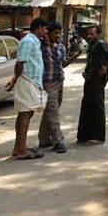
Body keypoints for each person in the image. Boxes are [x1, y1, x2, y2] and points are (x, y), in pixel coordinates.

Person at [5, 18, 48, 160]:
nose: (46, 32)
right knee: (25, 114)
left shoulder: (35, 41)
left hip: (32, 81)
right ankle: (21, 149)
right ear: (39, 28)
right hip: (26, 80)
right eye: (45, 29)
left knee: (26, 114)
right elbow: (20, 62)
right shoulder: (28, 41)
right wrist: (14, 79)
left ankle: (19, 147)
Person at [77, 25, 108, 144]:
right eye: (88, 34)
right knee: (87, 106)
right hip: (89, 79)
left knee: (97, 107)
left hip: (97, 80)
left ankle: (98, 136)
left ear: (97, 34)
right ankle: (85, 135)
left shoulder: (100, 43)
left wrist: (104, 67)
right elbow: (91, 61)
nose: (89, 36)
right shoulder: (91, 45)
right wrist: (85, 71)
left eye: (92, 34)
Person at [39, 22, 74, 154]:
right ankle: (58, 140)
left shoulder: (61, 46)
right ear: (48, 33)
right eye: (55, 33)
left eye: (60, 33)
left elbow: (62, 63)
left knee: (51, 109)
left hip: (59, 81)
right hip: (48, 82)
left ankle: (43, 139)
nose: (58, 35)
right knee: (53, 111)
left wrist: (73, 57)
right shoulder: (41, 46)